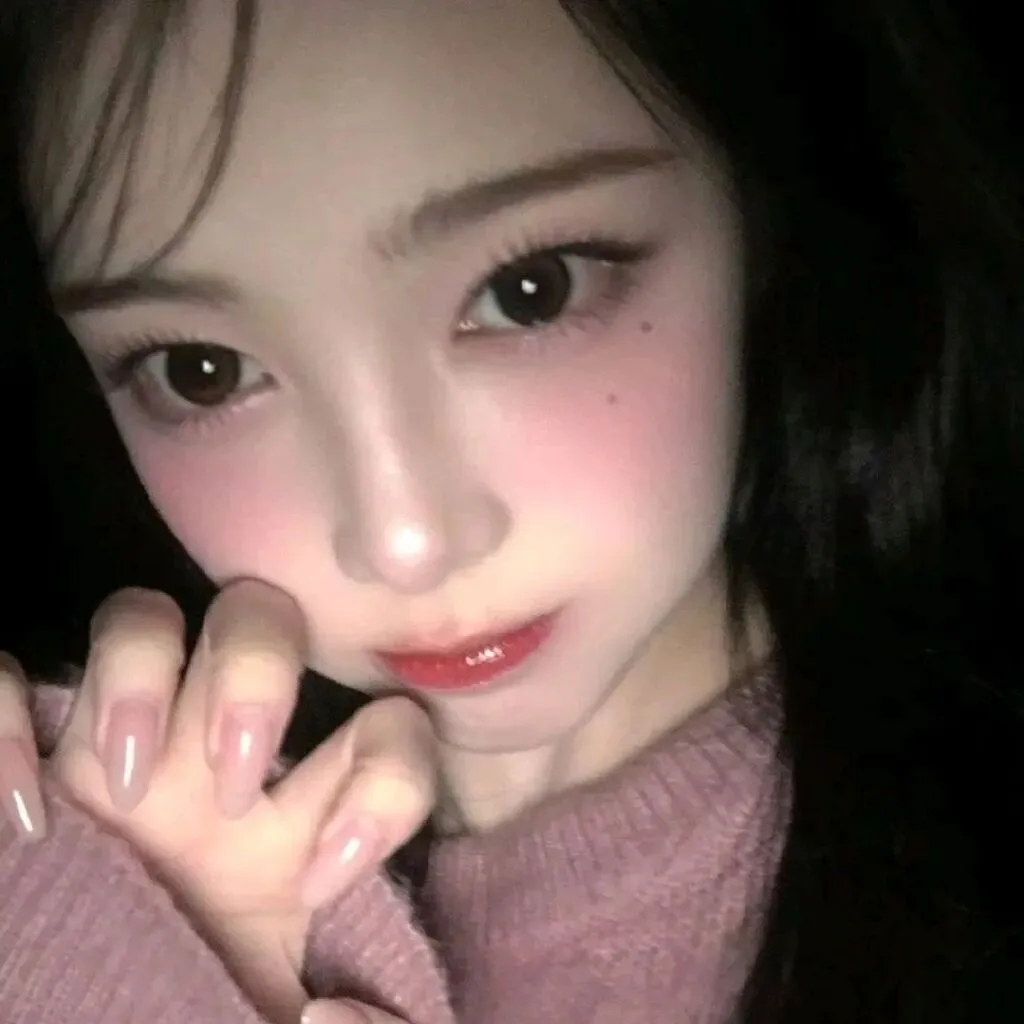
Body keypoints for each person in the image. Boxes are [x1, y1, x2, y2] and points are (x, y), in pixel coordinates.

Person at [2, 0, 1023, 1022]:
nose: (404, 541)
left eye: (530, 291)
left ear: (759, 214)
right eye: (203, 370)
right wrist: (97, 961)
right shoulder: (103, 881)